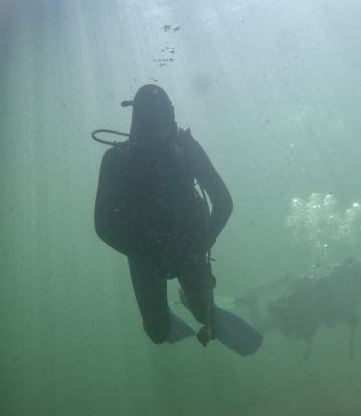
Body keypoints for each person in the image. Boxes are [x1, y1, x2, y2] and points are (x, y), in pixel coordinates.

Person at [94, 84, 263, 356]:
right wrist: (147, 251)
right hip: (145, 252)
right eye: (153, 121)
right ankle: (178, 313)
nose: (160, 128)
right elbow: (103, 226)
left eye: (164, 118)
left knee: (204, 315)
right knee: (158, 333)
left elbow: (223, 202)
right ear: (139, 122)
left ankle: (196, 303)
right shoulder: (117, 159)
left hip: (187, 246)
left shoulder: (186, 149)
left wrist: (199, 245)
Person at [235, 258, 361, 358]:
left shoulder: (349, 282)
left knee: (263, 326)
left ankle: (252, 300)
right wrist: (352, 316)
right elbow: (330, 306)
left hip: (300, 306)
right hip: (301, 308)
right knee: (262, 327)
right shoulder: (351, 284)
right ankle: (251, 301)